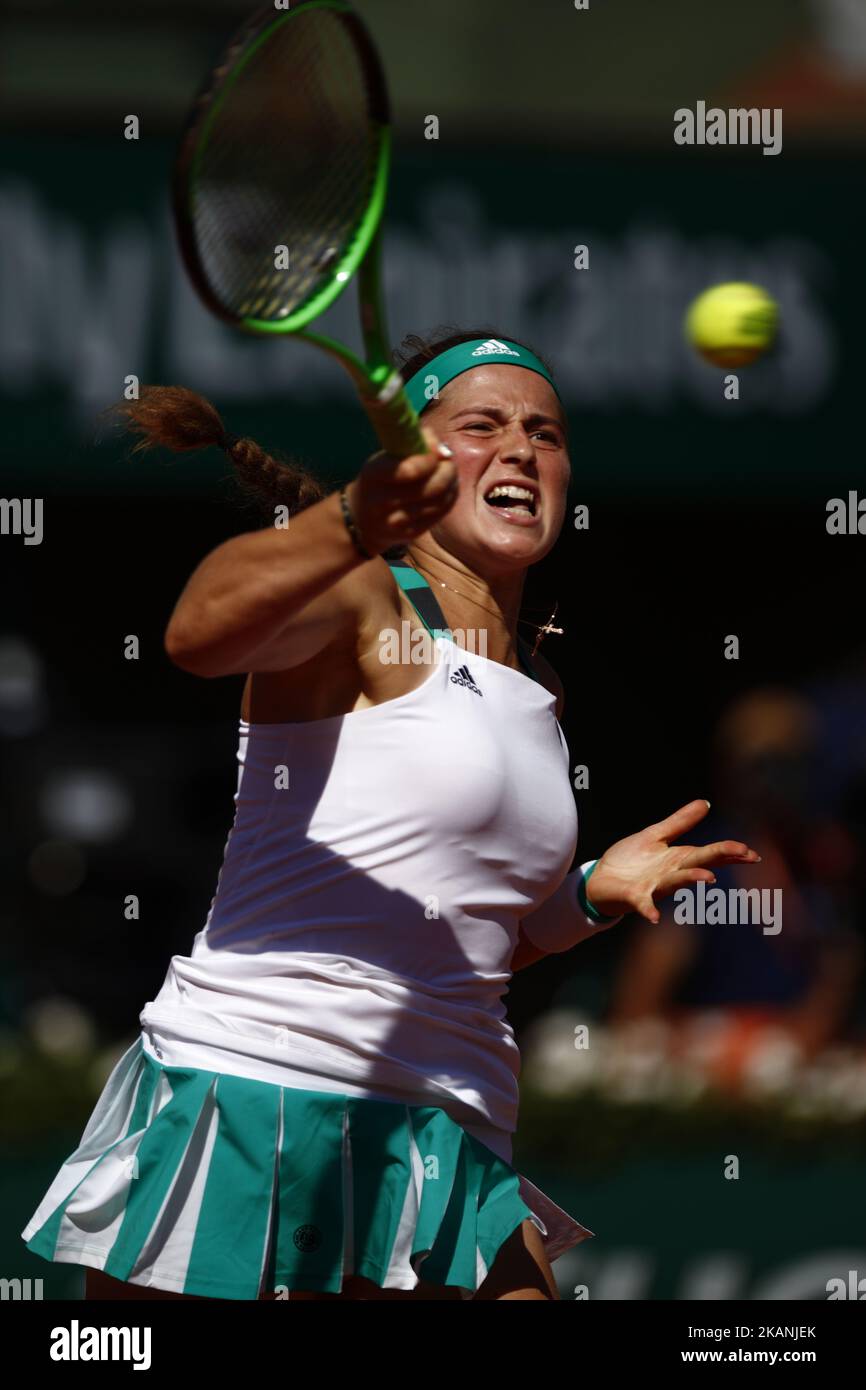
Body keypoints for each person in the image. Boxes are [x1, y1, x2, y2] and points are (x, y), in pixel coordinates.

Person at [21, 327, 760, 1301]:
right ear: (419, 459)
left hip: (444, 1125)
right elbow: (196, 633)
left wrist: (588, 891)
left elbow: (464, 939)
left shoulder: (540, 685)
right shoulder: (367, 595)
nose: (518, 450)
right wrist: (347, 521)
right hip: (255, 1096)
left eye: (543, 432)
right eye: (481, 425)